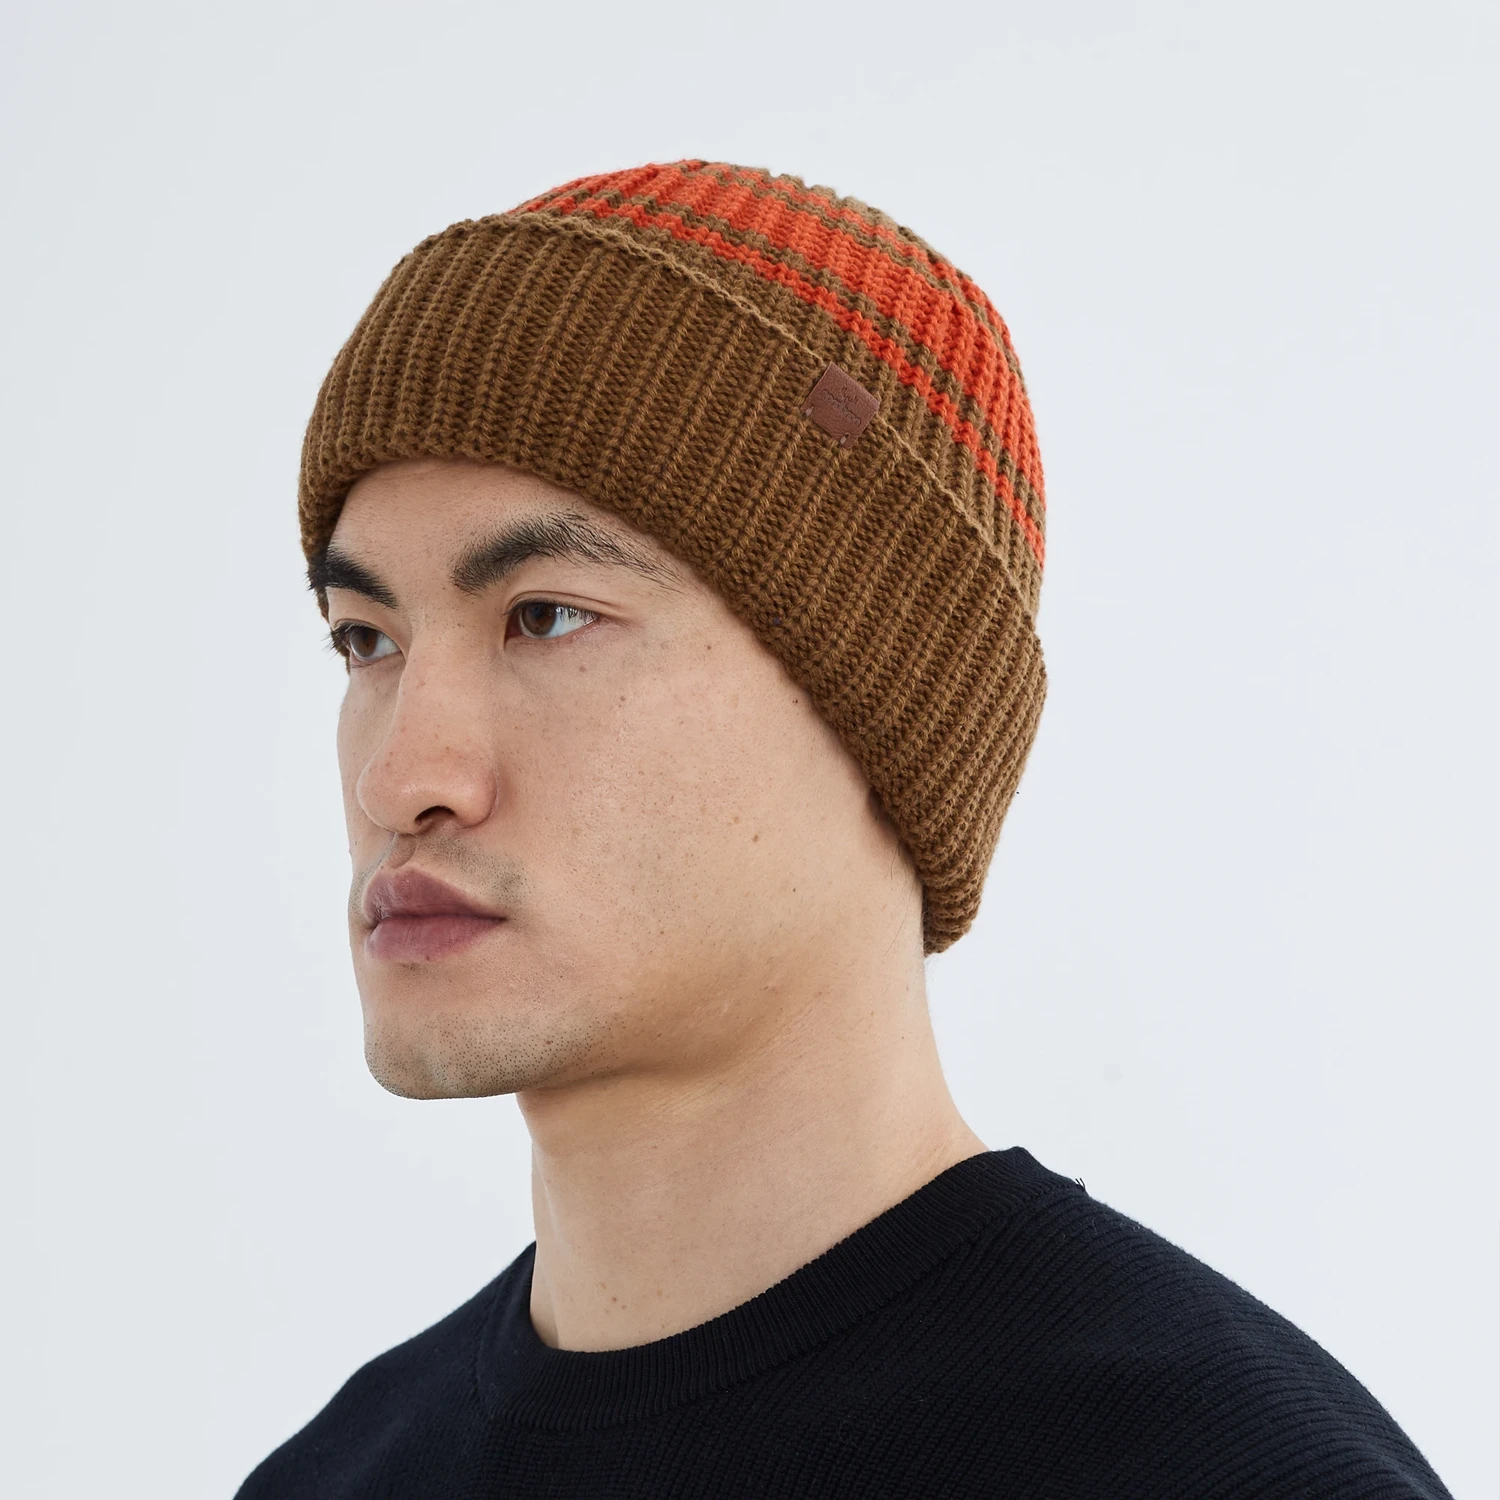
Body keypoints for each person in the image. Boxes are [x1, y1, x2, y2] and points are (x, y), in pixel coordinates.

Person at [236, 160, 1451, 1498]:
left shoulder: (1219, 1473)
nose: (401, 776)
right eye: (367, 639)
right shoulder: (334, 1476)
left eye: (549, 616)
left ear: (889, 704)